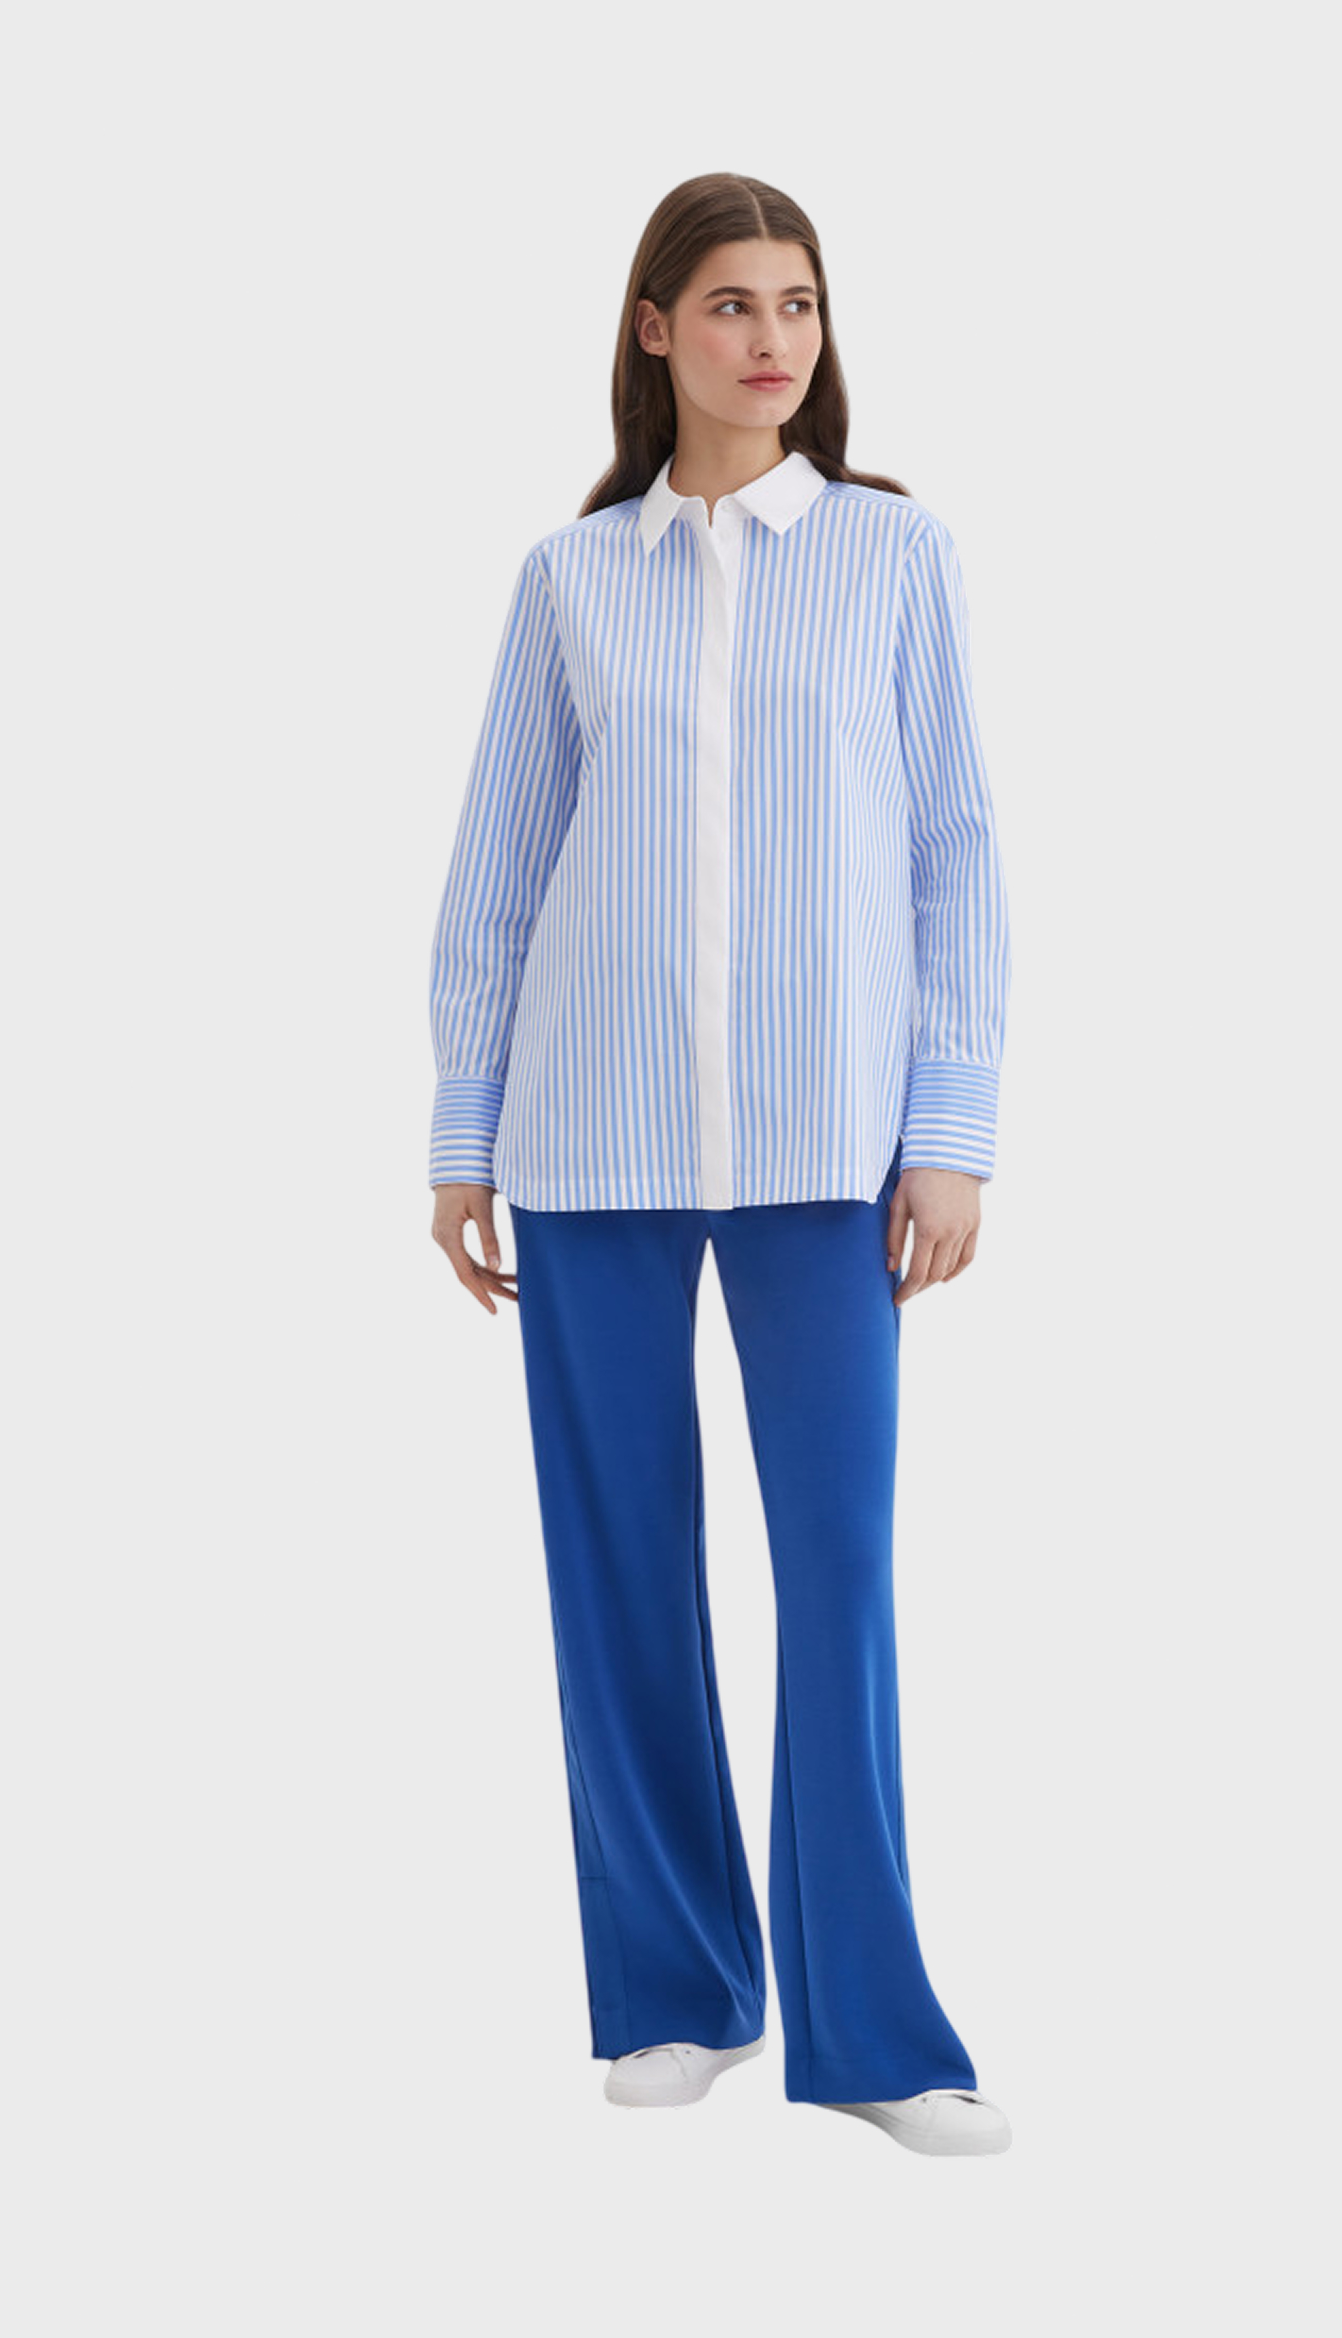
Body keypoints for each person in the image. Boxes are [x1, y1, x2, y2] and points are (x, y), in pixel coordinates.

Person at [426, 174, 1013, 2158]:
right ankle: (678, 1985)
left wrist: (951, 1129)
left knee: (835, 1567)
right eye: (735, 304)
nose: (773, 339)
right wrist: (460, 1132)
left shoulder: (894, 557)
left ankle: (874, 2030)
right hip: (584, 1133)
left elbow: (956, 852)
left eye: (801, 305)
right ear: (656, 327)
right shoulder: (569, 580)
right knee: (619, 1565)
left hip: (830, 1138)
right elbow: (498, 870)